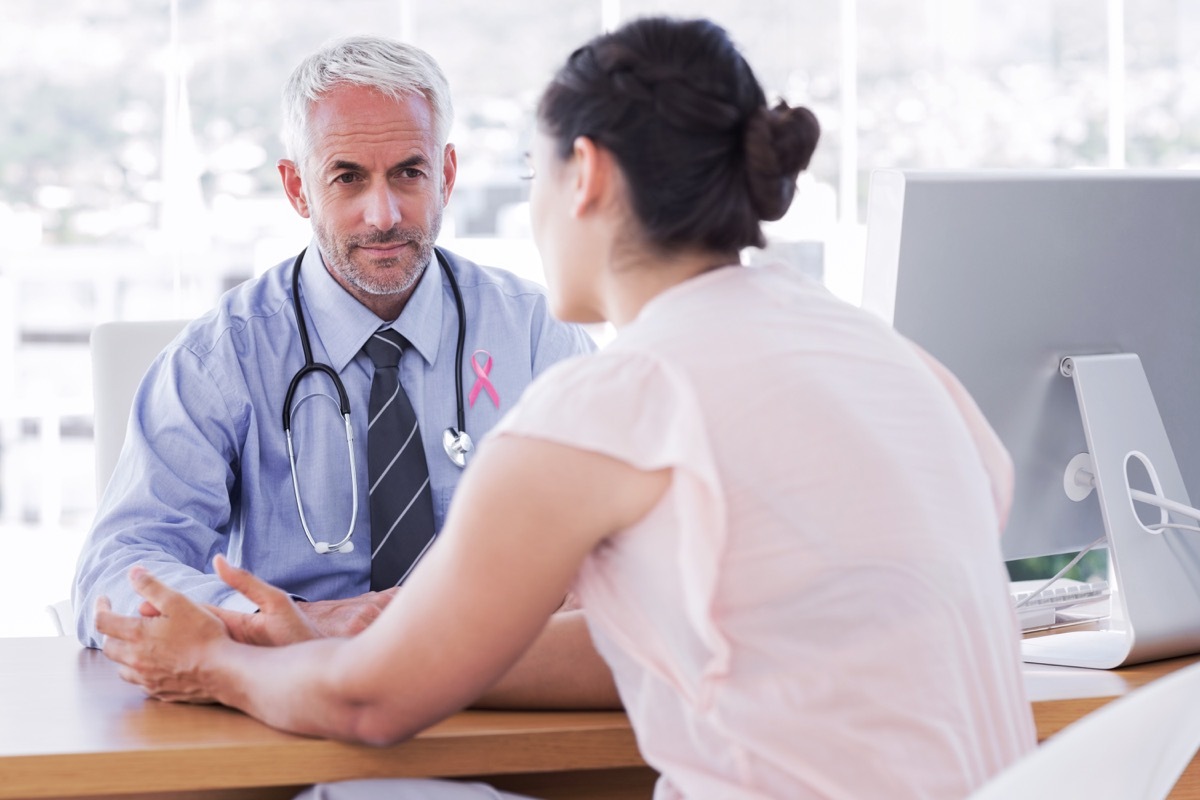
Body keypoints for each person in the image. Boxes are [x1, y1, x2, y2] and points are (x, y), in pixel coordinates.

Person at [96, 17, 1037, 799]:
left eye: (534, 176)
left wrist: (218, 665)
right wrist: (326, 630)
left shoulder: (611, 399)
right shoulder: (889, 354)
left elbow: (367, 705)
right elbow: (667, 636)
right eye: (350, 179)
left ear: (583, 176)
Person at [72, 36, 597, 655]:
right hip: (293, 683)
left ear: (447, 175)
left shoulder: (535, 334)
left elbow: (621, 542)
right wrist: (278, 621)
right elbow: (116, 572)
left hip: (495, 680)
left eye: (409, 173)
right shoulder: (222, 358)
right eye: (348, 178)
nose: (384, 214)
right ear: (298, 189)